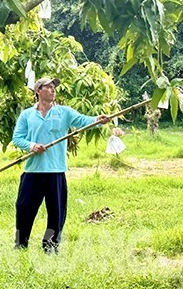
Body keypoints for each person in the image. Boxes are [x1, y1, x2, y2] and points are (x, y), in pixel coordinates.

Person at [12, 77, 110, 253]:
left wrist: (97, 119)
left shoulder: (64, 112)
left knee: (56, 212)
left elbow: (82, 120)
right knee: (24, 208)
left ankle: (50, 246)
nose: (52, 90)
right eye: (48, 87)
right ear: (38, 91)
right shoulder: (27, 114)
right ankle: (21, 244)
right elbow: (18, 137)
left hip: (55, 171)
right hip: (33, 170)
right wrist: (32, 146)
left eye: (53, 87)